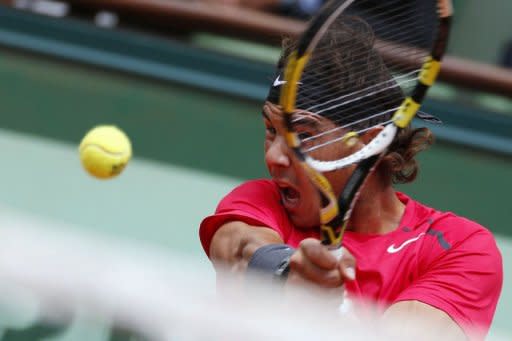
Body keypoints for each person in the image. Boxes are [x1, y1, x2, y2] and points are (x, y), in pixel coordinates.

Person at [198, 11, 503, 341]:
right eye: (271, 130)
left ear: (370, 142)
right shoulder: (260, 200)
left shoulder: (459, 247)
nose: (274, 156)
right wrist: (289, 275)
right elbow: (242, 252)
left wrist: (328, 312)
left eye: (303, 134)